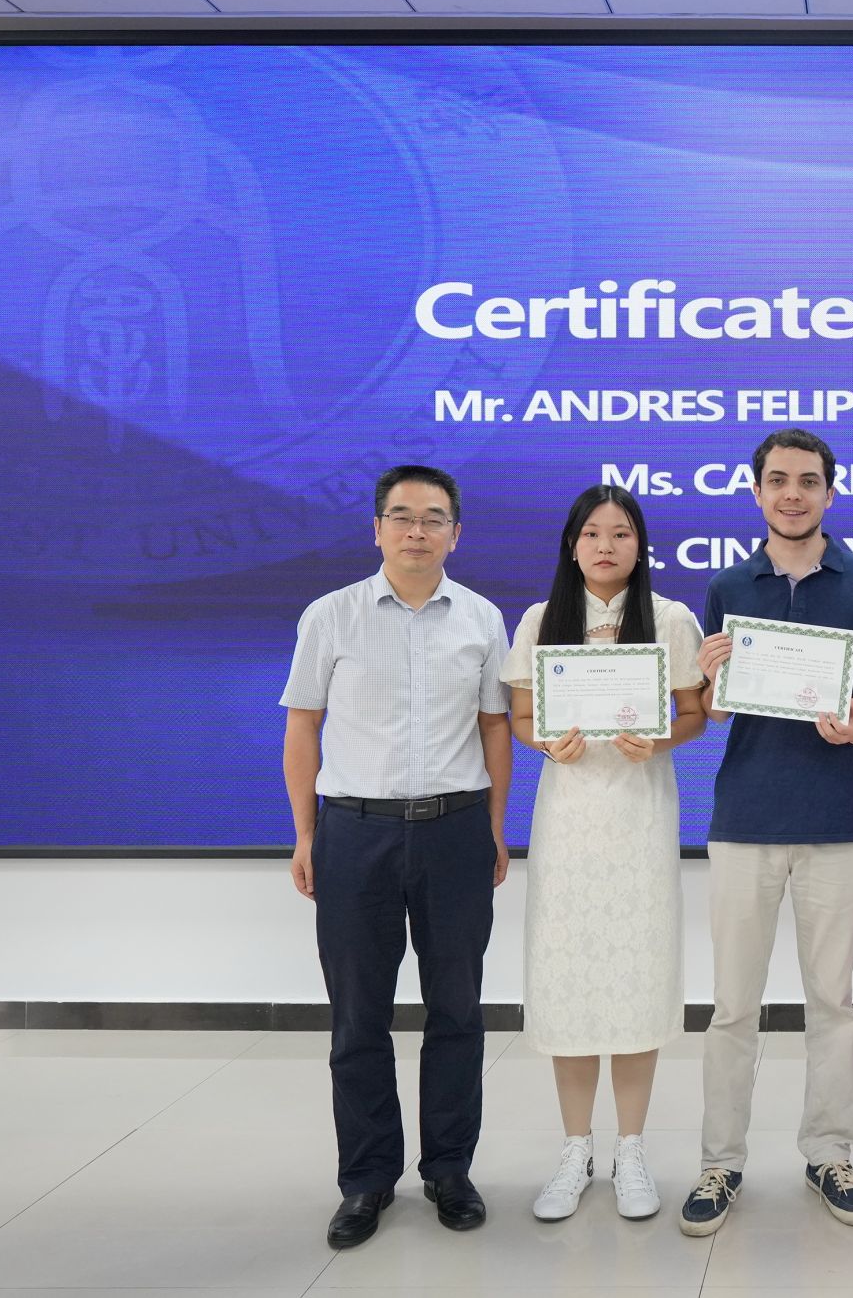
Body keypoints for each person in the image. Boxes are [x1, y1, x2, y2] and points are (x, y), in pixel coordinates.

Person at [678, 428, 853, 1237]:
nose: (793, 494)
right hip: (744, 818)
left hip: (836, 818)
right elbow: (714, 712)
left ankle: (829, 1152)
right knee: (733, 1005)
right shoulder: (726, 585)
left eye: (808, 481)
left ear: (829, 493)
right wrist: (711, 679)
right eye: (778, 480)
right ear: (757, 491)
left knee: (832, 1004)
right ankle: (720, 1162)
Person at [280, 464, 513, 1250]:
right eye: (403, 516)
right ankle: (366, 1178)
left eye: (434, 517)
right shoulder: (331, 615)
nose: (418, 530)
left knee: (457, 1010)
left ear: (456, 532)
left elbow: (494, 728)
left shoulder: (481, 618)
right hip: (355, 832)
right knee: (358, 1017)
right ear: (377, 528)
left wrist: (495, 828)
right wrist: (306, 834)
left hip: (455, 829)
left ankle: (449, 1169)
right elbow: (303, 725)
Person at [501, 485, 708, 1223]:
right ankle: (573, 1149)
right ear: (572, 544)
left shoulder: (671, 619)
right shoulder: (540, 619)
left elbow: (695, 711)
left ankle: (631, 1149)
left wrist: (661, 739)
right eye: (592, 532)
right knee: (570, 981)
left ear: (639, 546)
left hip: (640, 818)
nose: (606, 545)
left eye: (621, 533)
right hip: (569, 820)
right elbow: (520, 714)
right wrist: (542, 741)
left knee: (635, 979)